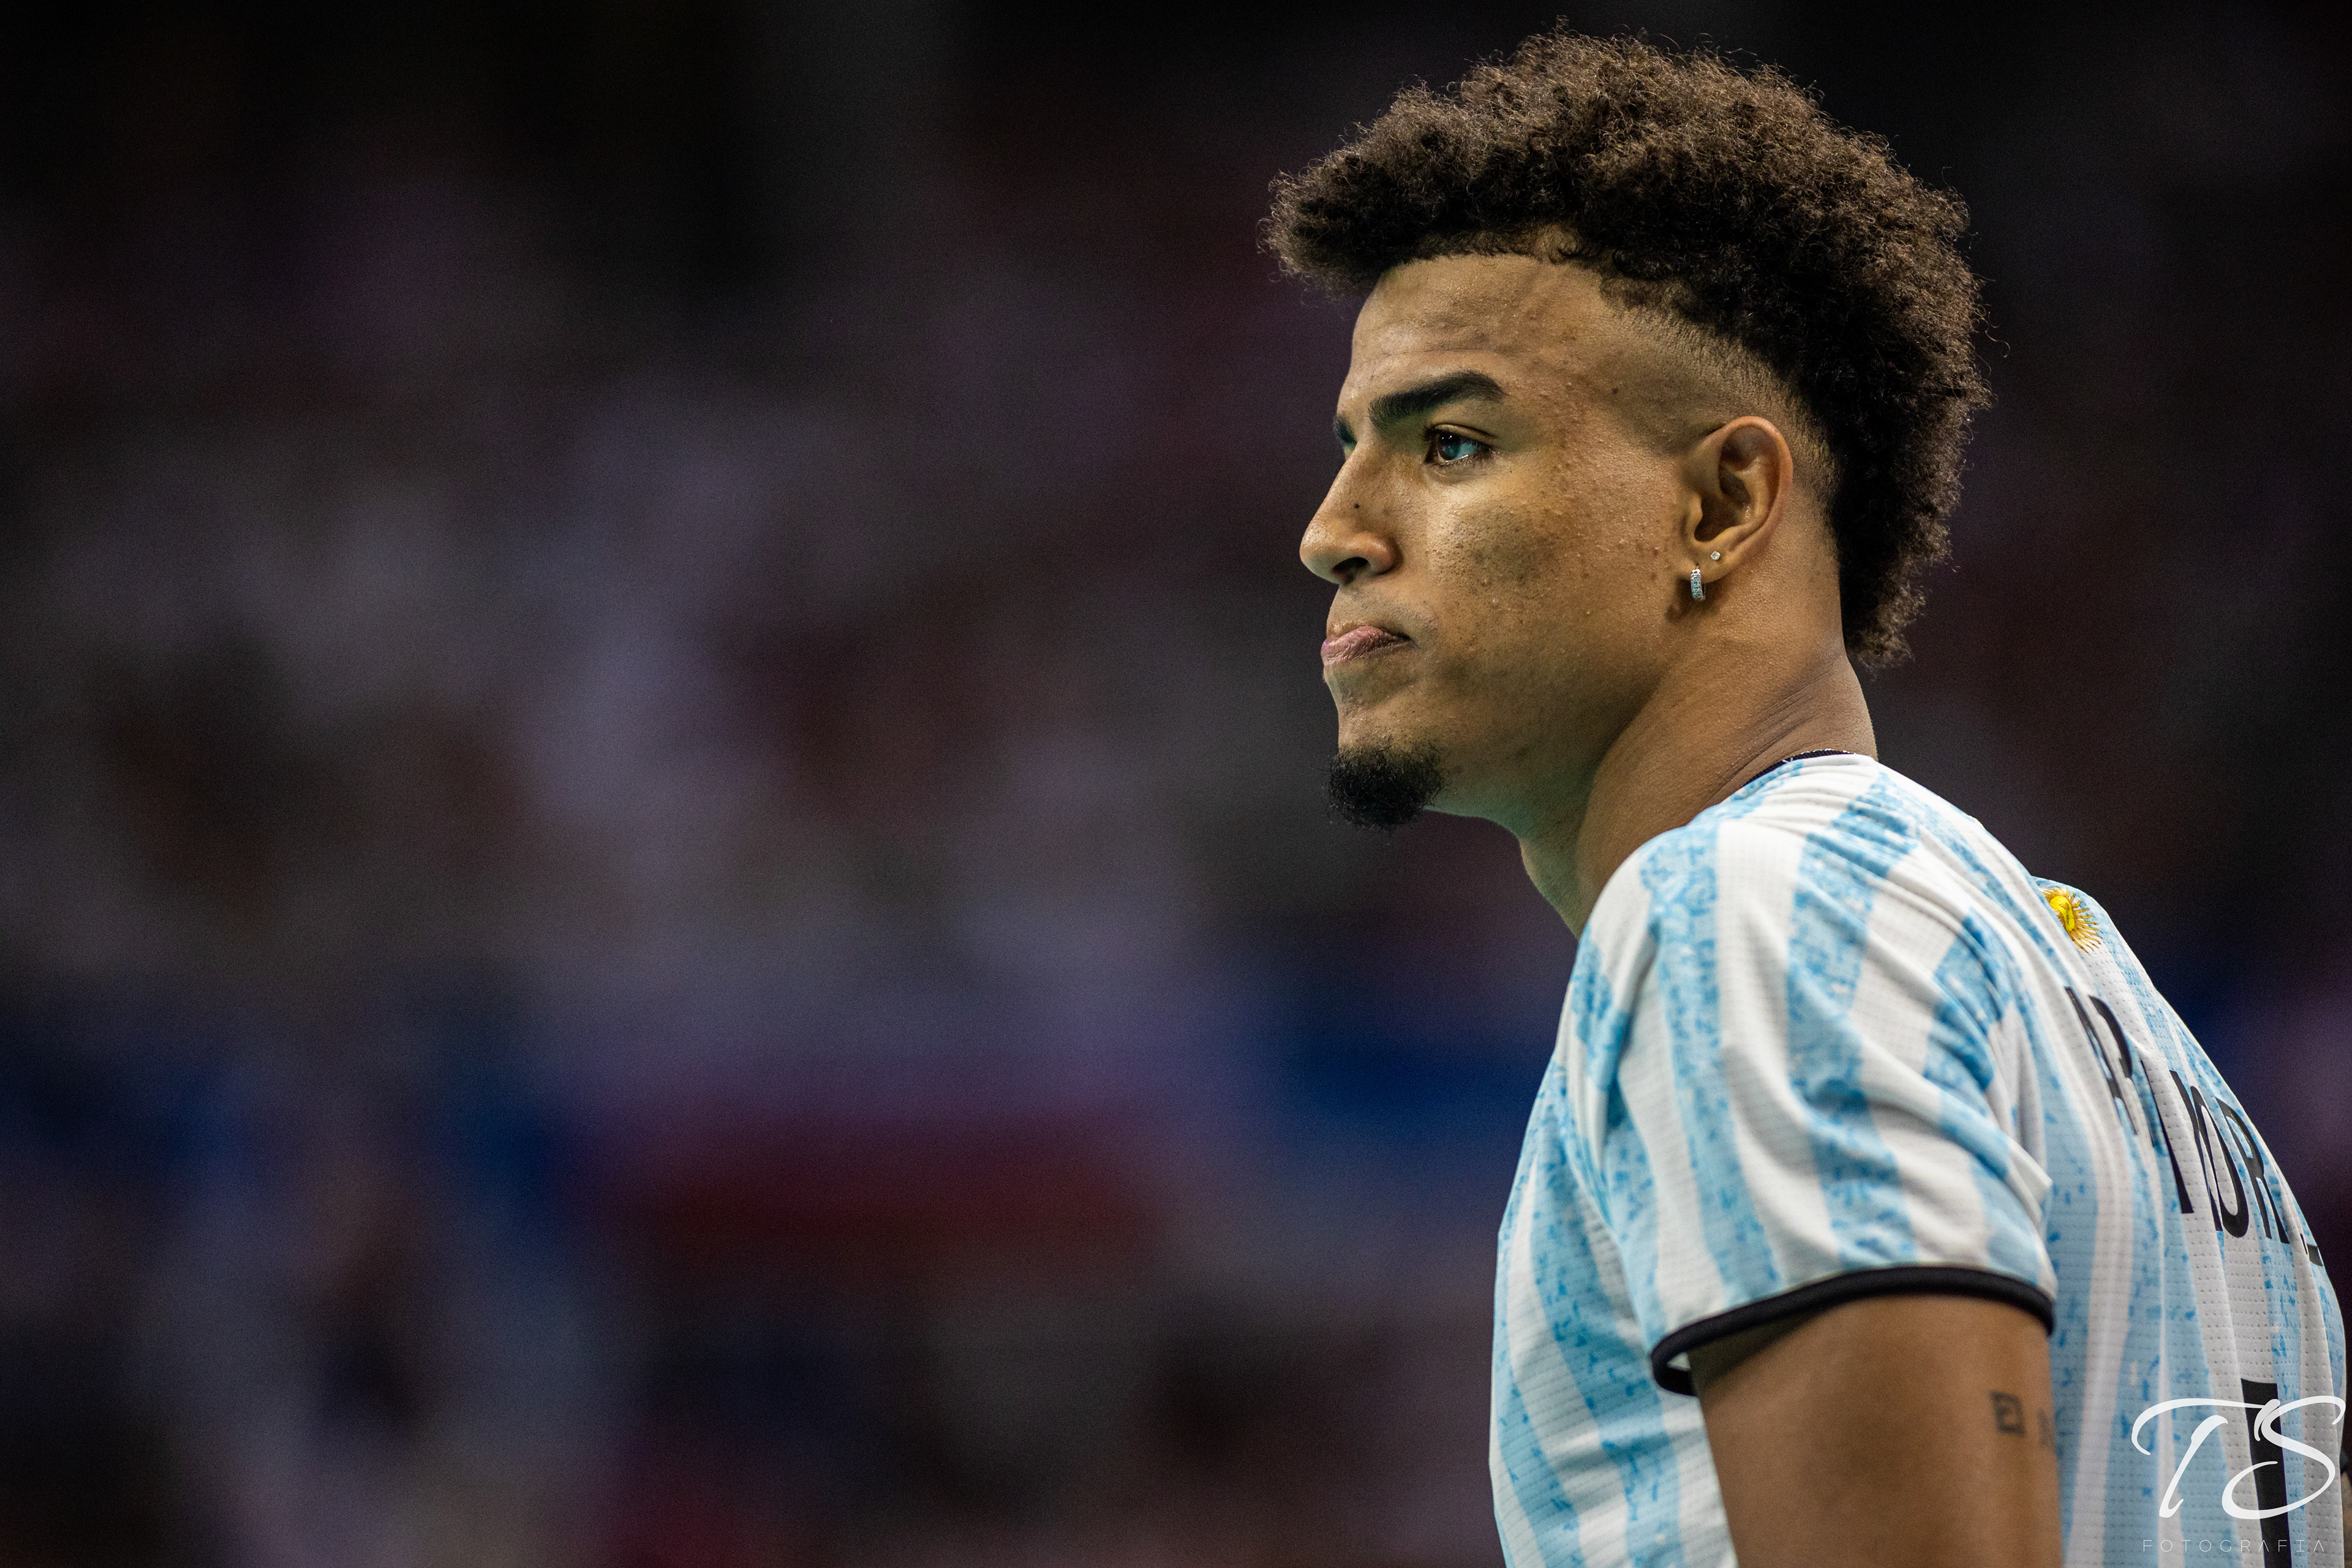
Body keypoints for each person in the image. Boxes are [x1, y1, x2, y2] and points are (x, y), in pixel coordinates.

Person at [1268, 29, 2346, 1568]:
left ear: (1722, 503)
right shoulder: (2123, 1014)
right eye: (1349, 450)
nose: (1333, 530)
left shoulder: (1746, 908)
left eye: (1451, 440)